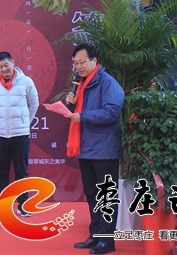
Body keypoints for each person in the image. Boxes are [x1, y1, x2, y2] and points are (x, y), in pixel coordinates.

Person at [66, 43, 124, 255]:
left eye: (82, 62)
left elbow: (112, 112)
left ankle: (107, 241)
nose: (78, 66)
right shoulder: (81, 84)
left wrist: (83, 116)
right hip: (86, 147)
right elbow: (78, 112)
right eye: (75, 63)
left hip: (104, 148)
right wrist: (70, 103)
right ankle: (96, 235)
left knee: (106, 195)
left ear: (94, 61)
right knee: (92, 194)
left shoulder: (107, 82)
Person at [0, 51, 39, 217]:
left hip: (20, 134)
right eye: (0, 66)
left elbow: (34, 104)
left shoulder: (26, 81)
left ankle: (23, 205)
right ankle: (0, 204)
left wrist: (25, 122)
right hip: (0, 135)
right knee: (1, 171)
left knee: (21, 171)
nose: (4, 69)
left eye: (6, 65)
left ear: (13, 62)